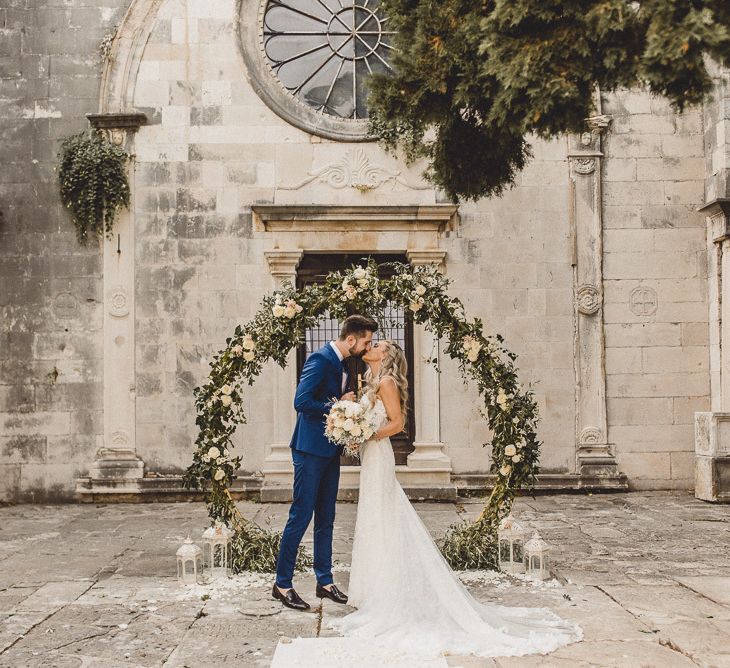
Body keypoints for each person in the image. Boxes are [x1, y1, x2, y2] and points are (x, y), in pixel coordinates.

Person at [327, 339, 583, 660]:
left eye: (376, 344)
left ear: (386, 355)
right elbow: (373, 420)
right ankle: (373, 589)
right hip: (371, 454)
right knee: (374, 516)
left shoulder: (388, 381)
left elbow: (397, 423)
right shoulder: (372, 382)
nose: (370, 345)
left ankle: (385, 590)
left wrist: (368, 434)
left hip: (379, 454)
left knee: (383, 515)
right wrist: (355, 430)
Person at [272, 314, 378, 611]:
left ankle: (325, 581)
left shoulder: (344, 364)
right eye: (366, 341)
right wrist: (338, 404)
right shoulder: (320, 360)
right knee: (301, 516)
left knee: (327, 517)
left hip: (330, 452)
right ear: (351, 339)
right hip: (308, 450)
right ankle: (282, 585)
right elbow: (301, 402)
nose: (367, 347)